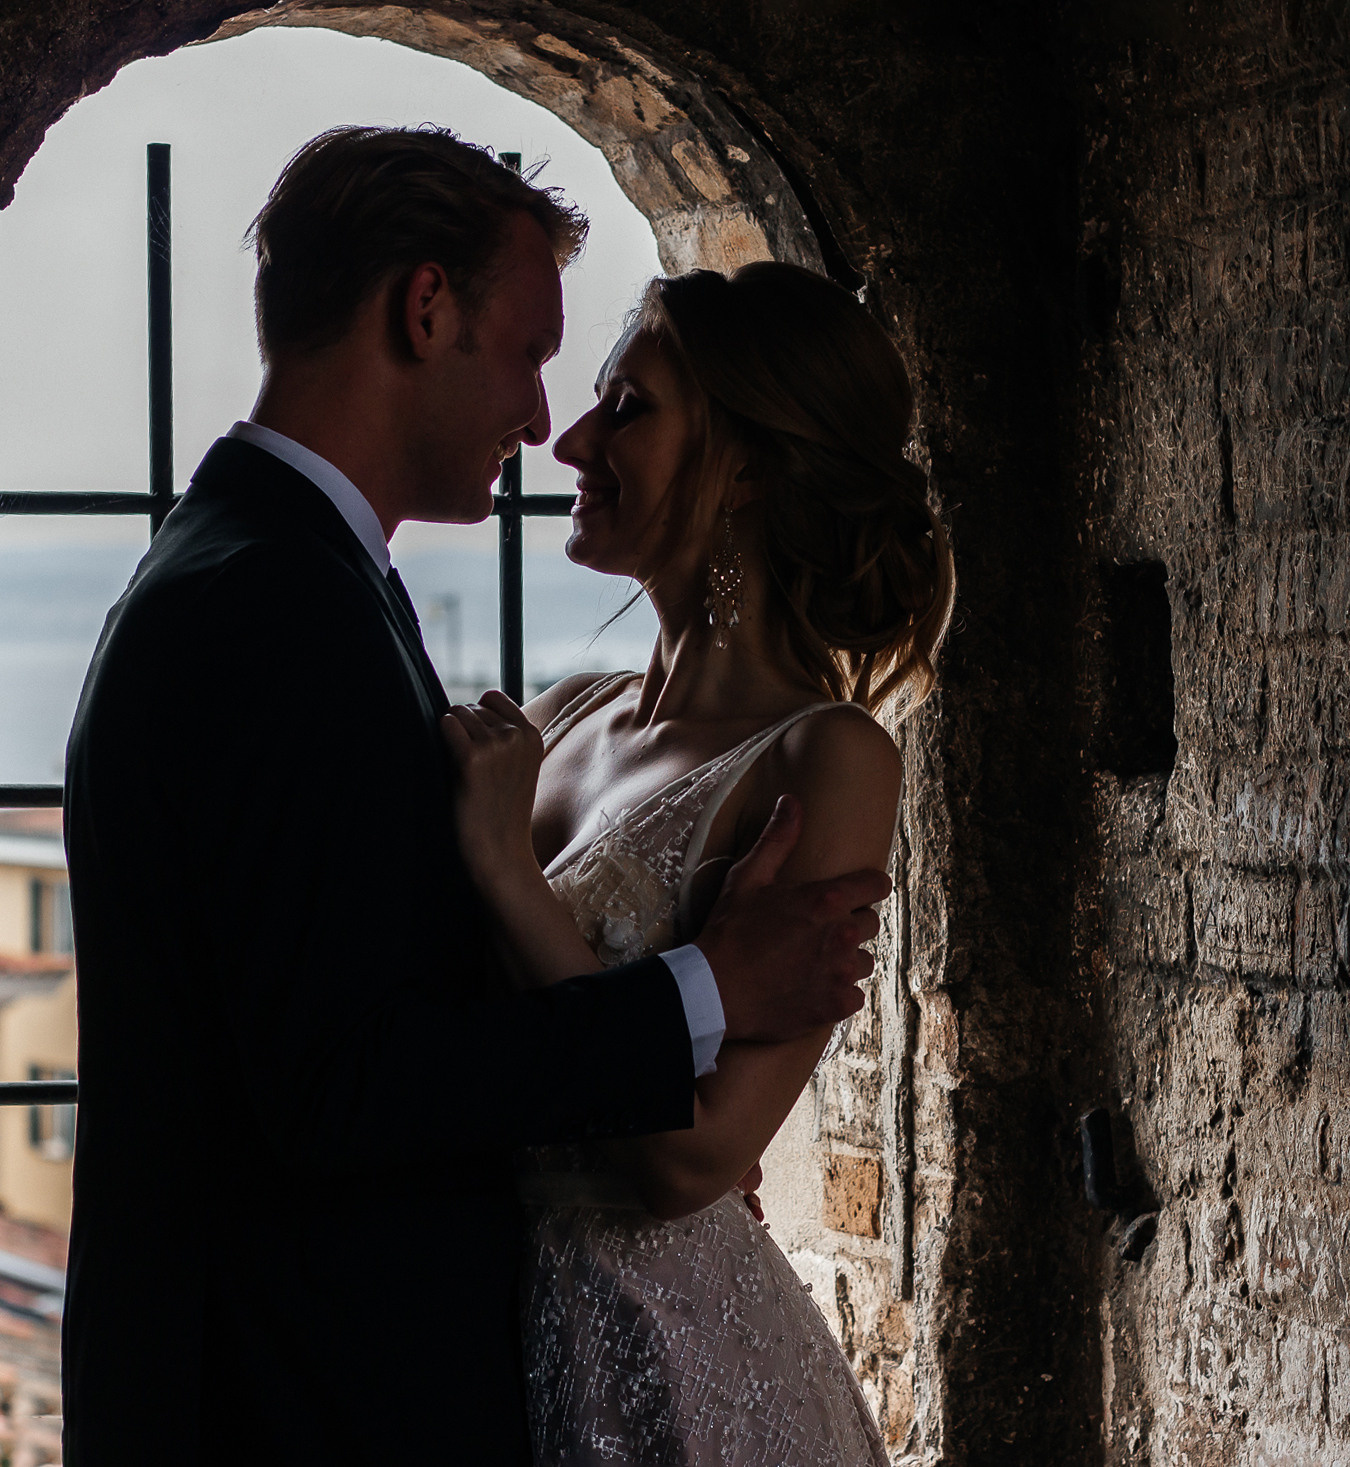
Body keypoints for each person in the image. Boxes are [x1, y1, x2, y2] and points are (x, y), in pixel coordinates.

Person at [57, 129, 893, 1463]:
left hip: (613, 1372)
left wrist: (643, 1045)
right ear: (424, 308)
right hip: (297, 1395)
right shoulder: (274, 604)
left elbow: (390, 1010)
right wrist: (695, 996)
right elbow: (342, 1073)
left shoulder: (295, 581)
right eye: (530, 352)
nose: (545, 418)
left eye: (617, 397)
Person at [442, 262, 954, 1464]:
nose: (570, 438)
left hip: (680, 1369)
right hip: (493, 1343)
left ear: (750, 468)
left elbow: (693, 1159)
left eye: (629, 408)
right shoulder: (565, 718)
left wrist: (507, 877)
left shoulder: (825, 761)